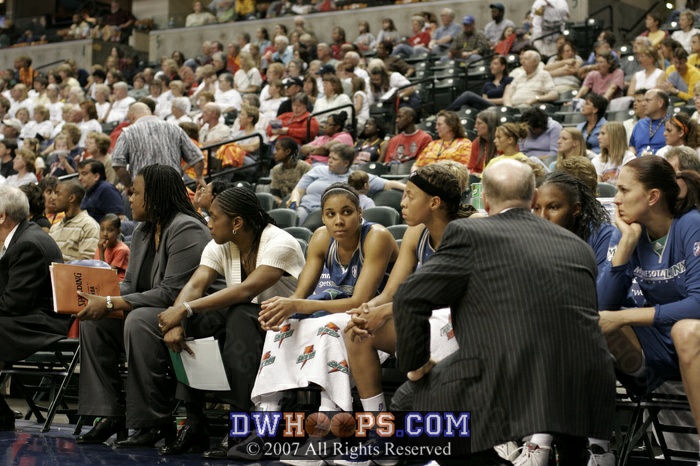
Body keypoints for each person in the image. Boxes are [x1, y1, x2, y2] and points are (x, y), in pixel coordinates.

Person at [390, 159, 616, 465]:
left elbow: (408, 298)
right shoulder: (578, 246)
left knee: (406, 403)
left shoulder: (470, 232)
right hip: (591, 375)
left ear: (484, 199)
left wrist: (416, 365)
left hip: (514, 371)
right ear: (534, 198)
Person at [156, 187, 305, 458]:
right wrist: (178, 319)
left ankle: (240, 424)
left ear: (237, 223)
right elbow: (196, 284)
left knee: (237, 313)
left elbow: (247, 291)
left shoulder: (280, 243)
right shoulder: (218, 245)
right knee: (197, 322)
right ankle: (194, 422)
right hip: (252, 322)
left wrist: (184, 309)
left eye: (213, 217)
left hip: (289, 324)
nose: (208, 223)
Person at [74, 165, 212, 447]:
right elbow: (131, 284)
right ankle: (110, 414)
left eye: (135, 192)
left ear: (156, 196)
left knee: (137, 320)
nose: (129, 197)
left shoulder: (187, 228)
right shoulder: (142, 231)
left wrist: (111, 302)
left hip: (192, 314)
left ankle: (155, 421)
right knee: (95, 321)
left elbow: (170, 293)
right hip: (154, 311)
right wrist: (100, 299)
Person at [249, 183, 399, 418]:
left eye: (347, 212)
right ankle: (267, 415)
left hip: (381, 315)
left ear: (360, 213)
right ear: (323, 218)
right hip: (344, 309)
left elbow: (359, 300)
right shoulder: (321, 238)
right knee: (282, 325)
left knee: (332, 326)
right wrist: (280, 311)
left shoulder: (376, 236)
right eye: (331, 214)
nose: (339, 220)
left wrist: (299, 305)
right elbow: (299, 296)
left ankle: (330, 417)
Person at [344, 164, 474, 416]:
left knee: (429, 327)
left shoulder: (472, 226)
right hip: (426, 313)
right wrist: (368, 309)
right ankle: (378, 427)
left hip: (464, 317)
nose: (402, 203)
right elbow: (392, 292)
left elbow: (461, 291)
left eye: (409, 196)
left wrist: (388, 311)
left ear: (435, 202)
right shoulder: (415, 233)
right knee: (356, 331)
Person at [597, 157, 700, 464]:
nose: (615, 199)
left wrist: (626, 316)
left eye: (624, 190)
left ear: (653, 196)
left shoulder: (690, 224)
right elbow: (603, 309)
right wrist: (623, 254)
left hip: (692, 340)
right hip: (657, 349)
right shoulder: (629, 230)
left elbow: (698, 303)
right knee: (593, 325)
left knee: (687, 329)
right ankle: (593, 445)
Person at [0, 186, 71, 432]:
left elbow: (13, 303)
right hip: (28, 316)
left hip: (42, 324)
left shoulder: (27, 244)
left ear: (2, 216)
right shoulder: (21, 237)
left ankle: (1, 415)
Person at [288, 144, 404, 223]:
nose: (329, 161)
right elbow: (299, 190)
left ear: (346, 163)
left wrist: (409, 188)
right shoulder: (318, 169)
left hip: (328, 214)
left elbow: (389, 184)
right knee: (292, 219)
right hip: (305, 208)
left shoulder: (355, 178)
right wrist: (294, 202)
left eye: (334, 159)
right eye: (329, 157)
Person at [534, 171, 614, 273]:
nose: (542, 217)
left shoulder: (602, 235)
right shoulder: (532, 237)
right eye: (536, 208)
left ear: (576, 209)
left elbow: (603, 288)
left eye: (553, 207)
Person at [112, 102, 205, 189]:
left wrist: (129, 184)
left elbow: (117, 163)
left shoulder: (128, 132)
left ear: (132, 116)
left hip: (144, 188)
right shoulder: (175, 128)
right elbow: (197, 156)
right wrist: (199, 177)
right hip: (173, 186)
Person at [48, 181, 100, 262]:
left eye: (58, 194)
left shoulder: (89, 226)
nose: (53, 198)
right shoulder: (54, 228)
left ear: (71, 198)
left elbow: (87, 261)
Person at [446, 55, 513, 111]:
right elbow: (484, 99)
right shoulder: (488, 83)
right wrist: (486, 100)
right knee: (465, 106)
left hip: (499, 108)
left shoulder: (508, 80)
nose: (491, 66)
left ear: (502, 67)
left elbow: (505, 100)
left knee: (468, 95)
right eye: (491, 64)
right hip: (487, 108)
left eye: (495, 64)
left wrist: (488, 100)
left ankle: (446, 113)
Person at [269, 138, 311, 207]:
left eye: (277, 149)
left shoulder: (305, 167)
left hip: (302, 204)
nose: (274, 153)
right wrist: (282, 203)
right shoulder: (276, 169)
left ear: (287, 151)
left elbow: (308, 192)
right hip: (283, 204)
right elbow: (274, 194)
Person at [629, 89, 671, 155]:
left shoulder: (673, 124)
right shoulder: (640, 124)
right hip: (639, 163)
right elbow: (632, 145)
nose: (643, 104)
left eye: (647, 100)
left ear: (660, 103)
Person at [95, 213, 129, 281]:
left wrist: (101, 252)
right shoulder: (101, 246)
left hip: (117, 284)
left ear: (119, 231)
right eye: (102, 229)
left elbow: (108, 275)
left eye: (110, 230)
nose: (105, 234)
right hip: (102, 280)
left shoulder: (122, 250)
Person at [468, 109, 500, 176]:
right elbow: (471, 168)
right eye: (476, 123)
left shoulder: (503, 141)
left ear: (490, 125)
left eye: (479, 123)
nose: (475, 127)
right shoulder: (476, 142)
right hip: (479, 182)